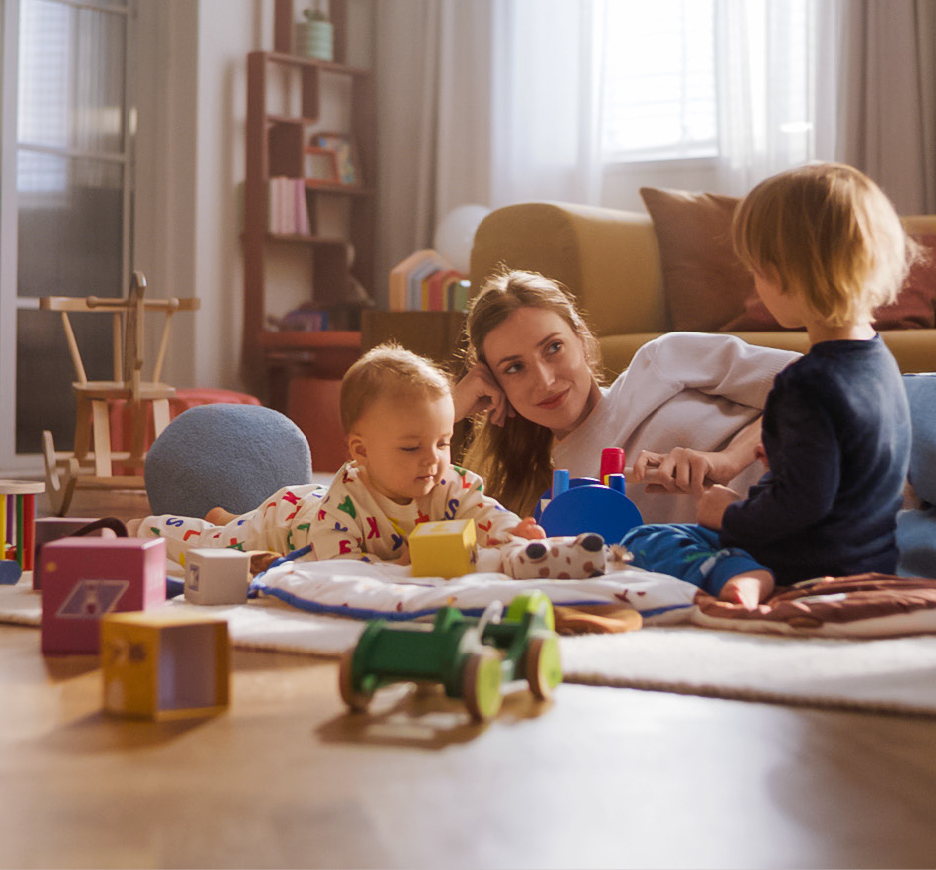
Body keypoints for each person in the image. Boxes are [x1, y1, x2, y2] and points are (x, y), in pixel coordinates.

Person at [137, 345, 609, 580]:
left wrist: (515, 532)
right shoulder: (345, 506)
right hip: (287, 522)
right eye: (411, 448)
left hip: (310, 506)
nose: (432, 461)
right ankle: (146, 528)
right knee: (220, 543)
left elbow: (485, 514)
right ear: (361, 452)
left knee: (233, 523)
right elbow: (338, 570)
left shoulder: (448, 483)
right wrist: (400, 565)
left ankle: (227, 514)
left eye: (443, 443)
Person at [690, 162, 916, 585]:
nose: (755, 285)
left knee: (660, 542)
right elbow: (855, 476)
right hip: (873, 565)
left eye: (756, 270)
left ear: (784, 274)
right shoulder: (880, 361)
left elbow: (801, 505)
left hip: (809, 569)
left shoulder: (806, 383)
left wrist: (727, 513)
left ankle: (749, 584)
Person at [456, 272, 801, 525]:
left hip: (817, 485)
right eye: (514, 368)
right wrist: (451, 410)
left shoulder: (662, 361)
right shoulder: (558, 498)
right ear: (496, 385)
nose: (545, 381)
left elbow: (817, 382)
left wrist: (728, 459)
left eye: (554, 347)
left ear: (581, 338)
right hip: (768, 555)